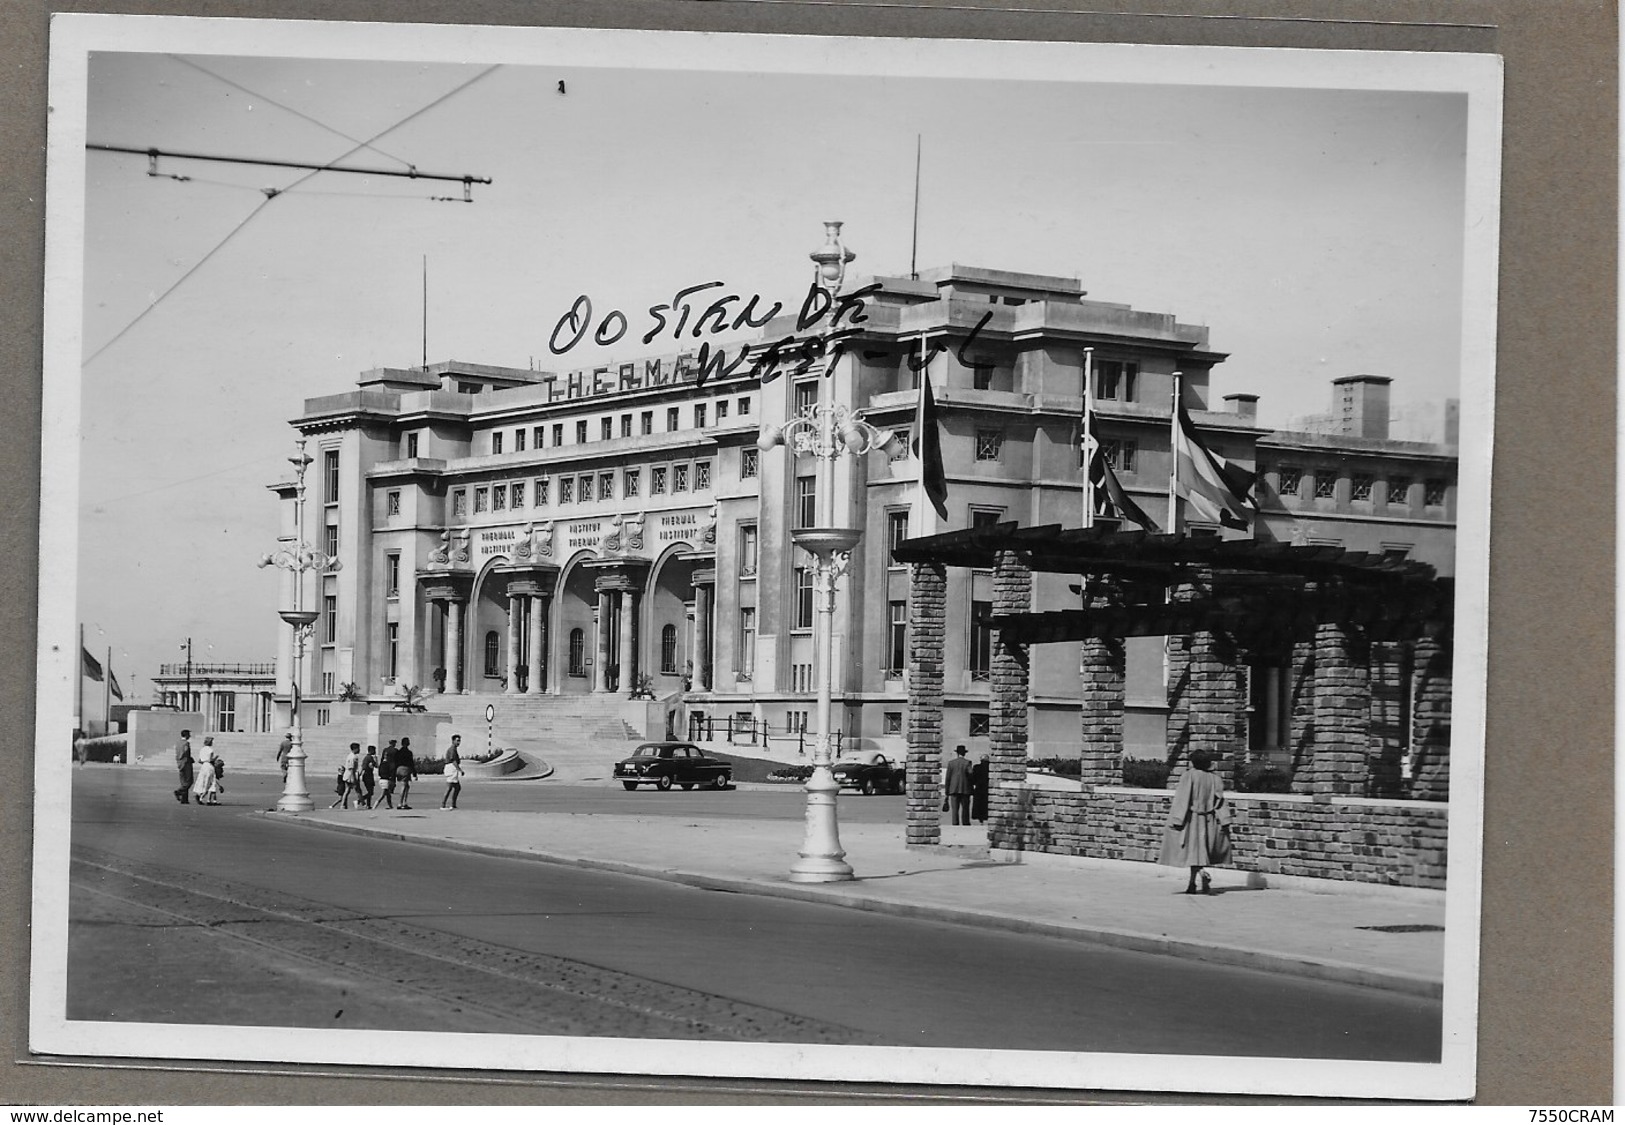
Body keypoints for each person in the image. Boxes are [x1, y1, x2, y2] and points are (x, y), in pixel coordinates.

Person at [1157, 749, 1233, 894]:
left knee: (1193, 852)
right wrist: (1225, 820)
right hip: (1208, 820)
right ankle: (1193, 884)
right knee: (1198, 853)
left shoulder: (1189, 776)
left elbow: (1182, 798)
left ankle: (1201, 873)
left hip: (1192, 820)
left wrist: (1177, 819)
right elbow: (1220, 801)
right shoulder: (1215, 779)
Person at [944, 745, 974, 826]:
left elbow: (948, 778)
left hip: (953, 789)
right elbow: (971, 774)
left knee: (955, 809)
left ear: (957, 753)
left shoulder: (951, 763)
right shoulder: (968, 762)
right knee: (965, 808)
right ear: (964, 753)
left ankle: (955, 823)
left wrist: (947, 791)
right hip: (965, 789)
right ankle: (965, 822)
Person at [331, 743, 361, 809]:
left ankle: (343, 805)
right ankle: (362, 803)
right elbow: (352, 768)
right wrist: (354, 778)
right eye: (358, 748)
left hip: (347, 775)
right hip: (351, 776)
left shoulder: (349, 755)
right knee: (357, 790)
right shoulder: (354, 757)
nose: (359, 750)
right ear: (355, 749)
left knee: (347, 791)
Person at [197, 736, 222, 804]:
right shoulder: (210, 750)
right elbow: (211, 760)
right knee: (212, 782)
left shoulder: (202, 749)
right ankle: (205, 798)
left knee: (205, 782)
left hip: (204, 766)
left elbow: (200, 760)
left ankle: (209, 799)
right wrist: (216, 757)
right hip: (209, 766)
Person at [394, 738, 417, 809]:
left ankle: (404, 802)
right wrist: (414, 773)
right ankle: (401, 803)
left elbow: (395, 761)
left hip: (398, 769)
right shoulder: (409, 752)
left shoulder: (398, 752)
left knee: (406, 786)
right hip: (405, 769)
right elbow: (411, 763)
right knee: (404, 786)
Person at [173, 729, 195, 804]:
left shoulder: (178, 743)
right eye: (189, 734)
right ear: (186, 735)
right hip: (186, 763)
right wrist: (189, 758)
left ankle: (184, 799)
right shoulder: (186, 743)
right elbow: (185, 752)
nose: (190, 736)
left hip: (179, 763)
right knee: (189, 781)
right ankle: (179, 791)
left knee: (183, 781)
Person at [377, 740, 398, 809]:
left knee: (387, 791)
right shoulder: (395, 750)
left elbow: (382, 758)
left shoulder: (385, 750)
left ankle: (390, 805)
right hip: (392, 766)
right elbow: (396, 759)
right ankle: (391, 789)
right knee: (390, 783)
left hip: (385, 767)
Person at [970, 753, 990, 824]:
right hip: (988, 788)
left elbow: (973, 779)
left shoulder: (976, 767)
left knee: (978, 804)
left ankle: (979, 817)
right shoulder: (990, 768)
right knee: (986, 803)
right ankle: (985, 816)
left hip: (979, 788)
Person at [359, 745, 378, 809]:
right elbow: (376, 765)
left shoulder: (367, 757)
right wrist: (375, 760)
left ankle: (368, 804)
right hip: (368, 775)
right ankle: (360, 800)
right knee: (370, 791)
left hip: (368, 775)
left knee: (370, 791)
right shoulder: (369, 758)